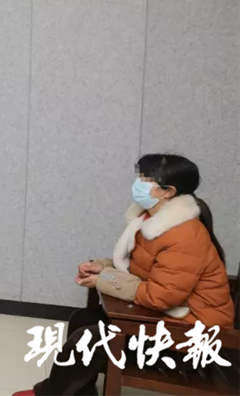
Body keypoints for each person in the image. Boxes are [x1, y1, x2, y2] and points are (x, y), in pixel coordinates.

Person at [14, 154, 235, 396]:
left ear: (168, 191)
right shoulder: (151, 221)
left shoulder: (184, 235)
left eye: (146, 179)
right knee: (83, 319)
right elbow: (141, 269)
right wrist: (102, 267)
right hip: (169, 321)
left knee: (90, 339)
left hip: (189, 342)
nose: (138, 183)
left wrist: (105, 280)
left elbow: (161, 296)